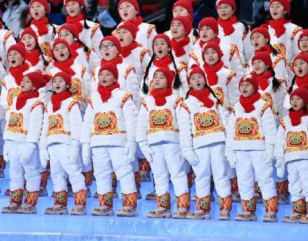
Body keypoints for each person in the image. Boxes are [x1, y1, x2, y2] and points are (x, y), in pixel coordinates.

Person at [81, 63, 139, 216]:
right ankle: (105, 205)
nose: (104, 77)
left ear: (115, 77)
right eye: (101, 75)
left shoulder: (123, 96)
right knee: (101, 173)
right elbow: (87, 122)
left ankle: (129, 204)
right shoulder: (93, 99)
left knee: (124, 172)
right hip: (98, 143)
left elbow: (131, 120)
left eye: (108, 74)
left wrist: (131, 142)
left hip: (118, 142)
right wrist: (85, 144)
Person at [178, 65, 232, 220]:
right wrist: (187, 149)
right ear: (189, 83)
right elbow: (184, 128)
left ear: (205, 79)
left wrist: (229, 142)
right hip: (199, 145)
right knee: (201, 176)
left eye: (200, 77)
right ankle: (203, 208)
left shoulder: (215, 99)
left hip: (218, 142)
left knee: (221, 174)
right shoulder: (187, 104)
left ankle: (225, 208)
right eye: (193, 78)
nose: (197, 80)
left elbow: (225, 119)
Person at [136, 67, 190, 218]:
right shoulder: (147, 102)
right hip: (153, 145)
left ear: (170, 82)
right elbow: (141, 125)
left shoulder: (176, 100)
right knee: (159, 175)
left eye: (162, 77)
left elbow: (184, 123)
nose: (157, 79)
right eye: (155, 77)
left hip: (173, 144)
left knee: (177, 173)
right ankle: (163, 207)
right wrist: (143, 145)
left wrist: (184, 145)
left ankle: (183, 206)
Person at [225, 74, 278, 222]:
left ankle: (271, 210)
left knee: (264, 179)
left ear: (255, 87)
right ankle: (248, 210)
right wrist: (230, 150)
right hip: (241, 150)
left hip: (259, 150)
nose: (244, 87)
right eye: (242, 85)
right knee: (244, 180)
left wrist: (270, 150)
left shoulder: (263, 106)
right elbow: (230, 130)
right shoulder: (236, 108)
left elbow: (270, 129)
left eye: (247, 85)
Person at [38, 71, 88, 215]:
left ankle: (80, 203)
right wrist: (43, 146)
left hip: (66, 144)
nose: (57, 83)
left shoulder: (71, 103)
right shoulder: (49, 104)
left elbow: (76, 125)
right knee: (56, 173)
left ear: (67, 85)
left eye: (61, 81)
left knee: (73, 171)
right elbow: (45, 127)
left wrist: (74, 145)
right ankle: (60, 204)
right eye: (55, 81)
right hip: (52, 144)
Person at [1, 70, 45, 214]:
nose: (23, 83)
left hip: (26, 143)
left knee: (31, 172)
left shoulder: (36, 104)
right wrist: (6, 143)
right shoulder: (15, 100)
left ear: (34, 86)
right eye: (23, 80)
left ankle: (30, 202)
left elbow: (35, 126)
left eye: (27, 81)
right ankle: (15, 201)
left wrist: (31, 146)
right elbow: (10, 121)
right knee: (14, 172)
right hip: (13, 141)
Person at [275, 86, 308, 223]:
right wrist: (280, 159)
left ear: (305, 101)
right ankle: (297, 210)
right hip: (290, 158)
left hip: (306, 159)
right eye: (292, 98)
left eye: (298, 99)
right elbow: (280, 141)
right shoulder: (285, 121)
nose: (294, 101)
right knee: (293, 184)